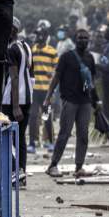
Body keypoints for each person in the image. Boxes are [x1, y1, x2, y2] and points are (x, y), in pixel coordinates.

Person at [44, 29, 97, 178]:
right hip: (69, 100)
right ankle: (53, 165)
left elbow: (92, 82)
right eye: (80, 38)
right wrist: (48, 97)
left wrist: (95, 100)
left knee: (83, 135)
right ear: (75, 39)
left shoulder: (90, 58)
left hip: (85, 101)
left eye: (86, 38)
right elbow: (56, 77)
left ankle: (79, 167)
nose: (83, 40)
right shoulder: (66, 57)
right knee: (64, 134)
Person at [1, 17, 31, 179]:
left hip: (13, 100)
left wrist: (15, 106)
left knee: (8, 137)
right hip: (27, 97)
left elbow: (14, 77)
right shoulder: (25, 46)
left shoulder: (11, 49)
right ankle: (21, 172)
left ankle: (15, 172)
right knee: (20, 139)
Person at [29, 27, 59, 153]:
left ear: (46, 36)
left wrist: (53, 89)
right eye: (37, 34)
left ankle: (50, 142)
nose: (39, 37)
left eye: (41, 34)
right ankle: (32, 143)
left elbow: (57, 70)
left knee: (47, 117)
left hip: (47, 91)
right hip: (34, 91)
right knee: (33, 116)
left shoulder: (52, 51)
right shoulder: (32, 50)